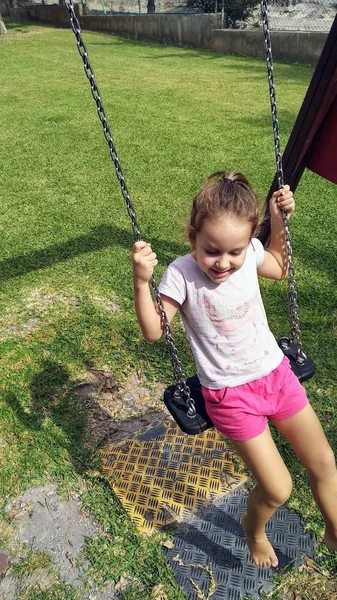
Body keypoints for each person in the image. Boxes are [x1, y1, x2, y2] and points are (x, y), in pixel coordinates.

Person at [131, 170, 337, 568]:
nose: (223, 263)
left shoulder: (249, 254)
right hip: (230, 395)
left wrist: (278, 221)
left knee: (325, 462)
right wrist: (142, 281)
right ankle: (253, 530)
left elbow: (278, 265)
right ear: (192, 239)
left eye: (235, 252)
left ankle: (334, 531)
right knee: (278, 488)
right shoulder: (181, 274)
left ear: (247, 242)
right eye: (211, 251)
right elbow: (155, 330)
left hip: (276, 376)